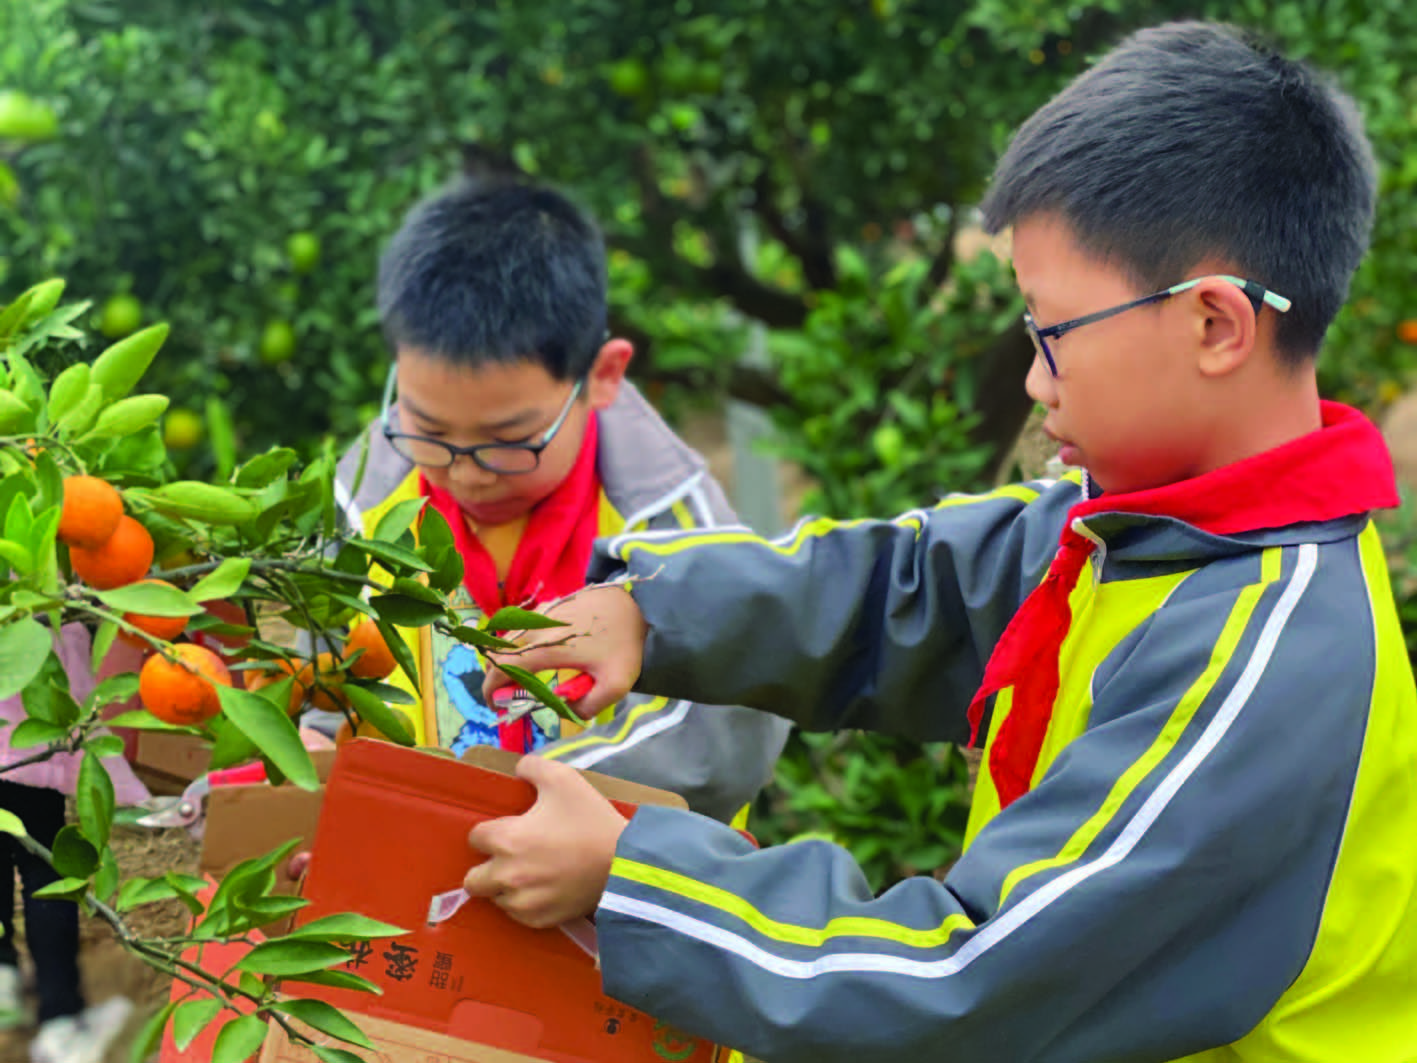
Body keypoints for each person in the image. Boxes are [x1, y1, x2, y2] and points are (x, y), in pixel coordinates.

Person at [461, 21, 1417, 1063]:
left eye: (1052, 336)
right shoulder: (1147, 526)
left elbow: (970, 980)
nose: (1033, 381)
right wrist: (653, 613)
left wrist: (635, 879)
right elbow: (910, 588)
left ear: (1215, 325)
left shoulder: (1265, 660)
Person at [311, 176, 790, 824]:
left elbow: (724, 740)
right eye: (428, 430)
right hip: (417, 893)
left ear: (602, 375)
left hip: (615, 901)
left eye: (507, 441)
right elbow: (326, 674)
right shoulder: (366, 499)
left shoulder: (671, 524)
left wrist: (516, 809)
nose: (464, 472)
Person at [1, 626, 140, 1063]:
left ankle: (3, 978)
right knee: (46, 875)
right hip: (26, 753)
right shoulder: (50, 576)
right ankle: (61, 1021)